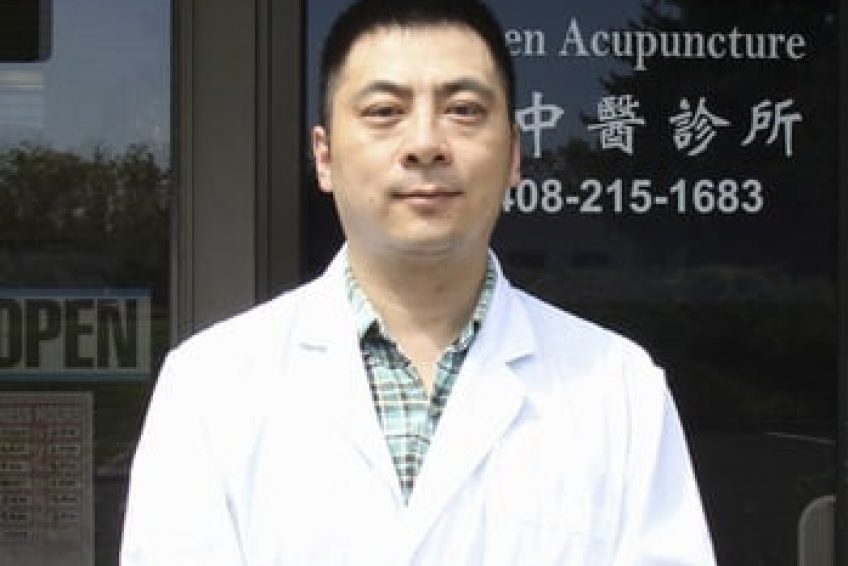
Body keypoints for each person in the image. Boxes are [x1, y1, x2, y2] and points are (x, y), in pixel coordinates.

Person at [120, 0, 716, 564]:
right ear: (324, 156)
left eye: (464, 110)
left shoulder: (617, 387)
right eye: (385, 111)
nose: (426, 144)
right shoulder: (210, 384)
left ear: (514, 154)